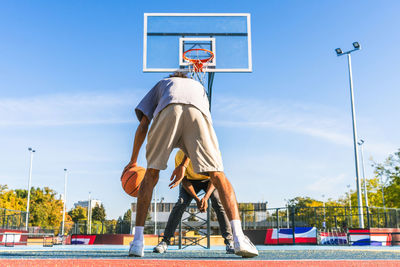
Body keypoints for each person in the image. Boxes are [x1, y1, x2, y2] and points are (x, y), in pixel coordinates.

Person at [125, 71, 258, 257]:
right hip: (198, 113)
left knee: (151, 175)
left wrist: (132, 161)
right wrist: (183, 166)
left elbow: (144, 123)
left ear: (173, 77)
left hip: (167, 111)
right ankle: (239, 238)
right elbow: (191, 127)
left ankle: (137, 242)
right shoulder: (199, 88)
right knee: (218, 175)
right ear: (186, 79)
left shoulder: (163, 83)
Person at [153, 150, 234, 254]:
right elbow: (184, 180)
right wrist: (197, 199)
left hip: (209, 180)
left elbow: (216, 177)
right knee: (181, 203)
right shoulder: (180, 155)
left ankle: (229, 241)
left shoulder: (211, 151)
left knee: (218, 202)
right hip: (190, 181)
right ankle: (165, 241)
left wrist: (205, 198)